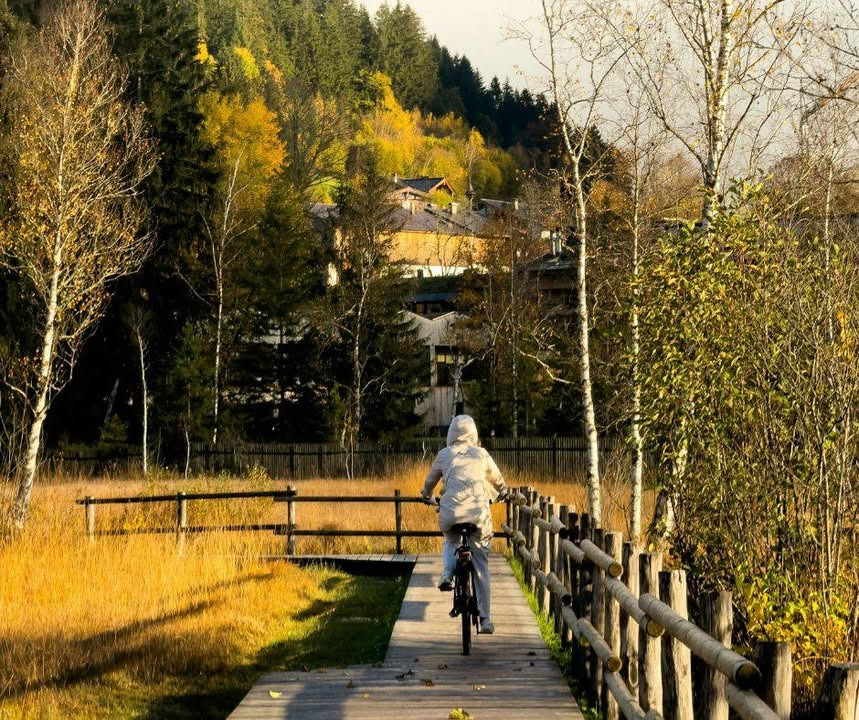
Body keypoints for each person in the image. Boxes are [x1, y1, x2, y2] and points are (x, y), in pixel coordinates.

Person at [421, 414, 507, 634]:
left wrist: (426, 495)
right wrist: (504, 490)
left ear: (451, 434)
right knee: (481, 566)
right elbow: (497, 479)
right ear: (474, 432)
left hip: (450, 513)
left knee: (451, 540)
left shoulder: (443, 454)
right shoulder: (481, 454)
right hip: (478, 514)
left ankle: (447, 574)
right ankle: (486, 620)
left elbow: (430, 483)